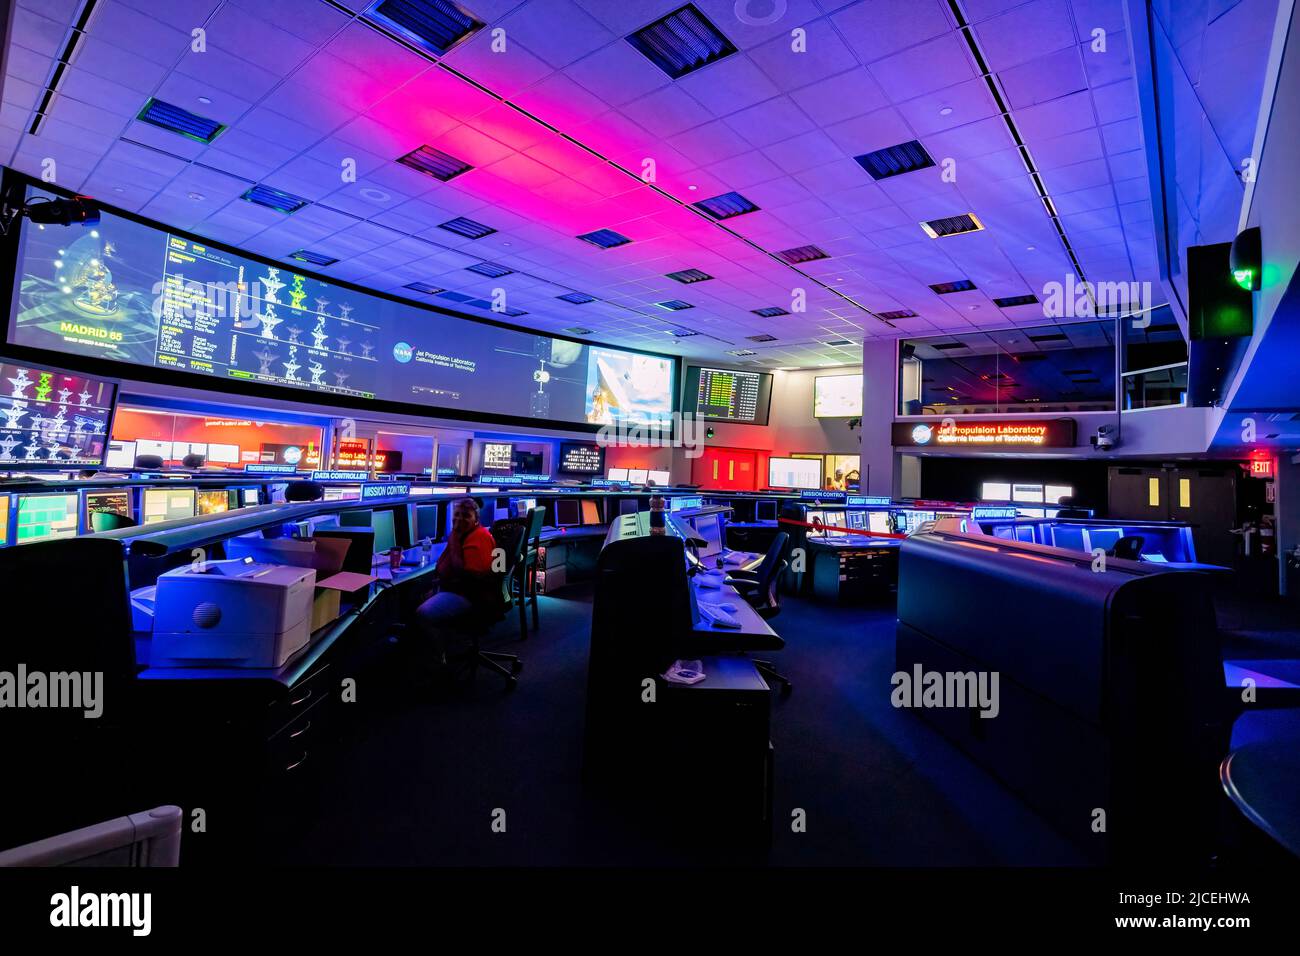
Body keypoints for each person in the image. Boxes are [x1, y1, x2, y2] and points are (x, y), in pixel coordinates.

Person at [415, 498, 498, 663]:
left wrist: (453, 539)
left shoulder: (477, 538)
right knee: (417, 594)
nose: (459, 519)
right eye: (457, 514)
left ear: (476, 519)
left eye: (466, 515)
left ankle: (440, 658)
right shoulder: (466, 535)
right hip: (465, 590)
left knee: (423, 613)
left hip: (471, 596)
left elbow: (465, 575)